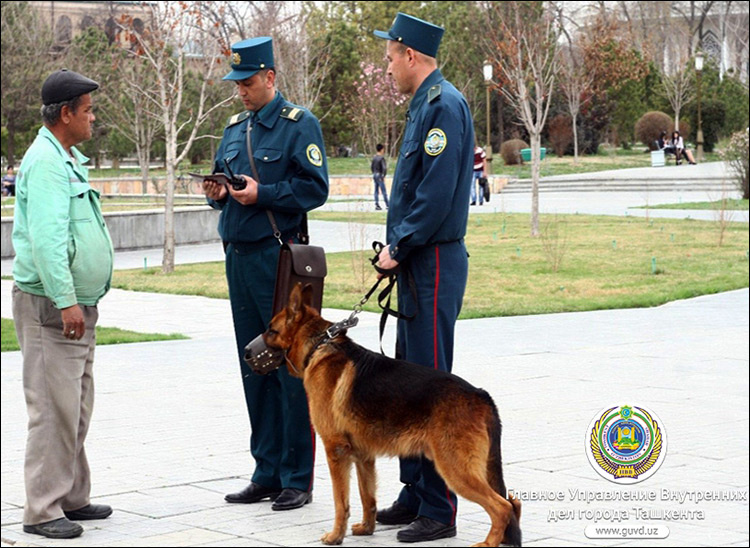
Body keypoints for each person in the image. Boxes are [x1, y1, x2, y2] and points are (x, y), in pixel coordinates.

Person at [203, 37, 328, 511]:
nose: (242, 92)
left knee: (290, 368)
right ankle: (266, 471)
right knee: (253, 364)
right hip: (238, 257)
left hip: (279, 261)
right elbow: (221, 179)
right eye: (237, 83)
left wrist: (265, 193)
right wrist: (217, 192)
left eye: (249, 82)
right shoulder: (235, 129)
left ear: (271, 78)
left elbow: (315, 188)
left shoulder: (300, 125)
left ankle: (298, 475)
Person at [372, 12, 474, 543]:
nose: (387, 66)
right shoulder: (422, 107)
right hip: (416, 261)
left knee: (431, 389)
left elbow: (434, 195)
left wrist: (400, 246)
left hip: (431, 260)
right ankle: (415, 493)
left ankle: (440, 509)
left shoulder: (444, 106)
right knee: (406, 385)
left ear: (411, 54)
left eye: (390, 56)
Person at [12, 69, 114, 539]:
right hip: (53, 308)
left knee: (75, 405)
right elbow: (48, 241)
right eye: (88, 109)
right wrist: (67, 299)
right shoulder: (47, 163)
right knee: (52, 410)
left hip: (75, 306)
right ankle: (42, 509)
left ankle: (71, 495)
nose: (94, 116)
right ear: (66, 113)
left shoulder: (66, 157)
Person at [371, 143, 389, 210]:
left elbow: (372, 167)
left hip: (375, 175)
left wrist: (374, 173)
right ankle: (387, 204)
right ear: (381, 149)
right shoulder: (381, 158)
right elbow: (384, 168)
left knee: (376, 191)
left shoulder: (374, 157)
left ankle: (377, 204)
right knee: (383, 191)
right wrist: (383, 175)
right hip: (380, 175)